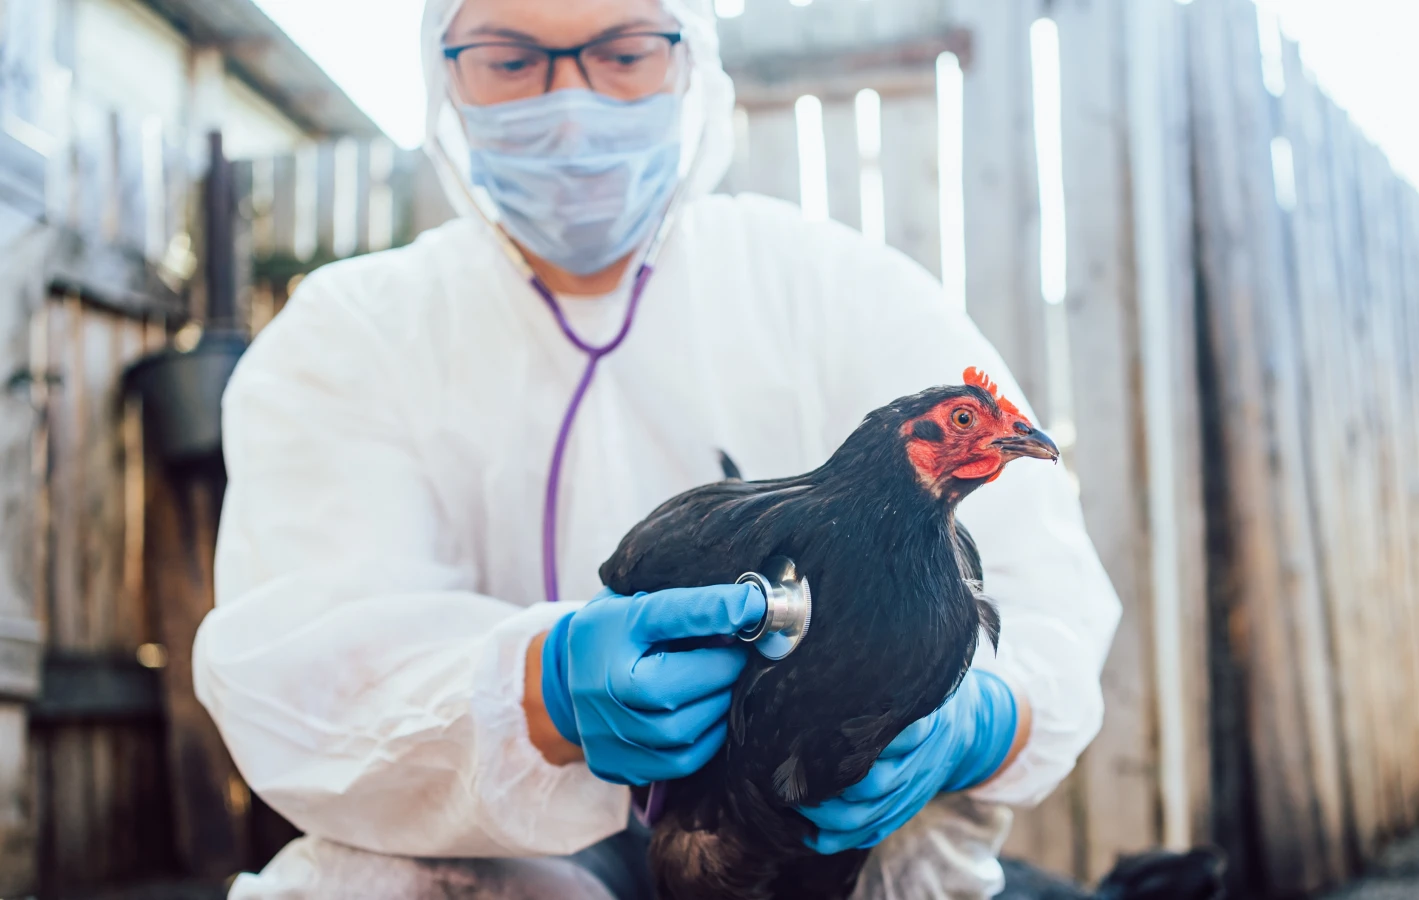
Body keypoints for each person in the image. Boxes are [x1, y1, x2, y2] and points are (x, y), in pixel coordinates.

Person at [193, 0, 1122, 897]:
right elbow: (300, 673)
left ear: (691, 60)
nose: (570, 104)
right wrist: (538, 693)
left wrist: (976, 718)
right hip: (490, 848)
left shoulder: (844, 289)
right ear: (443, 74)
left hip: (821, 833)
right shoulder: (350, 336)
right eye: (510, 59)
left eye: (625, 51)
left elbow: (1051, 611)